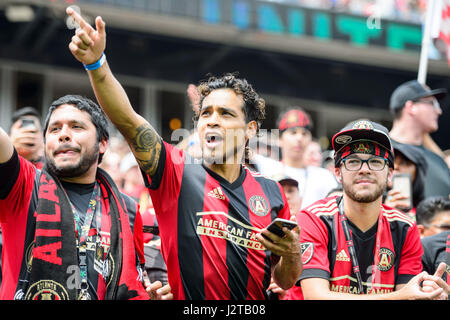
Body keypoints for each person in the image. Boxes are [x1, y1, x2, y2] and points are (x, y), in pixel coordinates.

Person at [66, 8, 302, 300]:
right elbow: (127, 119)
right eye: (205, 113)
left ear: (250, 129)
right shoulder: (174, 172)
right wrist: (96, 64)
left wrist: (292, 255)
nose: (212, 120)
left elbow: (285, 279)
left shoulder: (272, 193)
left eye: (226, 114)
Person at [0, 94, 170, 300]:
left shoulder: (128, 209)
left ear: (103, 143)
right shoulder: (24, 185)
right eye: (54, 129)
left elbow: (133, 283)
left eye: (76, 127)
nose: (63, 135)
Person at [294, 119, 447, 300]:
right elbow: (316, 297)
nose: (364, 169)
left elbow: (409, 296)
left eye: (375, 162)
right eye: (353, 161)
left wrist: (430, 294)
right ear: (337, 173)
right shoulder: (313, 218)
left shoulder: (406, 227)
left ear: (390, 174)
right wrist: (399, 296)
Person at [253, 108, 338, 208]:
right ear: (279, 139)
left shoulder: (323, 177)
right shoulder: (264, 167)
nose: (299, 138)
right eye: (293, 133)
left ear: (310, 139)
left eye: (304, 133)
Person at [389, 80, 450, 199]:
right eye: (432, 103)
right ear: (411, 107)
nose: (439, 111)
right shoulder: (380, 151)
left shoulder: (439, 161)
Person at [384, 141, 427, 220]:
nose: (395, 166)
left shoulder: (429, 212)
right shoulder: (372, 206)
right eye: (390, 162)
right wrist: (385, 214)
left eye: (404, 163)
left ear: (419, 172)